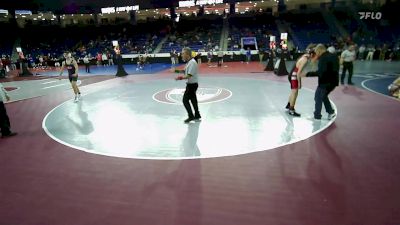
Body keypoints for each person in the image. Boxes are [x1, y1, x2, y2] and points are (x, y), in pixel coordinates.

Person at [305, 44, 339, 120]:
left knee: (318, 97)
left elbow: (320, 73)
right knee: (323, 96)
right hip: (333, 82)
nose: (316, 54)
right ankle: (331, 112)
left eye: (317, 52)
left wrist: (307, 74)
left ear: (319, 50)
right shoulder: (334, 56)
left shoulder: (323, 58)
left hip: (325, 82)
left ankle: (317, 116)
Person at [285, 44, 316, 117]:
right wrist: (300, 83)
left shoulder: (304, 56)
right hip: (294, 76)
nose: (314, 58)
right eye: (314, 55)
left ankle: (289, 105)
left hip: (293, 75)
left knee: (293, 92)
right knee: (295, 93)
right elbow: (299, 73)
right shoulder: (305, 59)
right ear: (311, 54)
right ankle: (291, 110)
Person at [174, 47, 201, 123]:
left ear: (187, 54)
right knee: (193, 100)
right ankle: (197, 114)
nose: (181, 55)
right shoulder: (189, 62)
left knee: (185, 100)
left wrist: (179, 78)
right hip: (192, 84)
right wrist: (175, 70)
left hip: (192, 85)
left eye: (183, 53)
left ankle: (191, 116)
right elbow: (184, 71)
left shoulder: (192, 62)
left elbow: (189, 75)